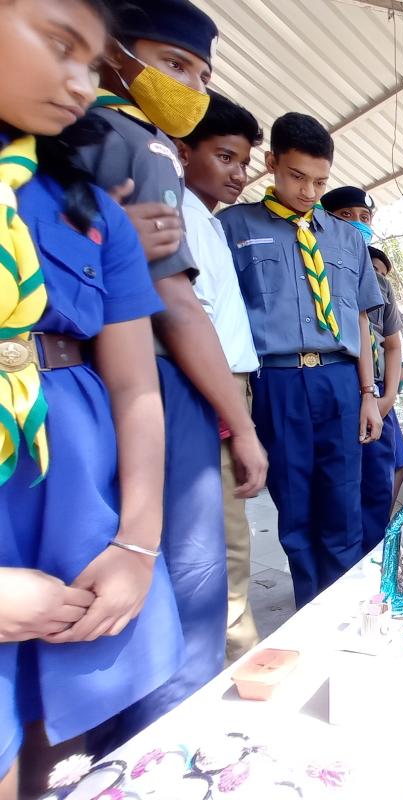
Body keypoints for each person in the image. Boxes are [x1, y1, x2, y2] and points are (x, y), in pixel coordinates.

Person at [67, 0, 268, 755]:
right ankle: (166, 745)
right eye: (175, 63)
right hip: (149, 381)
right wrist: (241, 424)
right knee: (185, 584)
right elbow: (177, 306)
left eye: (201, 74)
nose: (188, 85)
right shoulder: (133, 139)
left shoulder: (67, 134)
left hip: (91, 381)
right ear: (116, 50)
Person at [0, 0, 184, 795]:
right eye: (58, 44)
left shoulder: (91, 210)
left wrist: (137, 545)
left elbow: (135, 384)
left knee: (51, 714)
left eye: (92, 61)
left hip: (72, 501)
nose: (80, 83)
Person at [218, 114, 384, 608]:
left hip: (339, 381)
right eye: (297, 176)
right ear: (271, 164)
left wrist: (369, 394)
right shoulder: (233, 227)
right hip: (277, 381)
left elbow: (360, 321)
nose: (309, 191)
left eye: (319, 181)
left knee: (343, 505)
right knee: (295, 509)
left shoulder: (348, 238)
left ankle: (345, 615)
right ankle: (310, 611)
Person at [175, 92, 263, 664]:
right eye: (225, 157)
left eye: (243, 162)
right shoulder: (180, 212)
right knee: (223, 540)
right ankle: (234, 661)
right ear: (183, 151)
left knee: (229, 532)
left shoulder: (205, 219)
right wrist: (240, 422)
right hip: (213, 389)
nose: (238, 174)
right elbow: (189, 319)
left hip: (232, 386)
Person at [320, 186, 403, 550]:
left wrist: (386, 398)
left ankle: (373, 559)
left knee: (377, 483)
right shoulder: (316, 270)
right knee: (335, 491)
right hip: (336, 392)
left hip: (376, 401)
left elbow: (392, 344)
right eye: (345, 216)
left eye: (364, 217)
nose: (357, 224)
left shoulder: (381, 285)